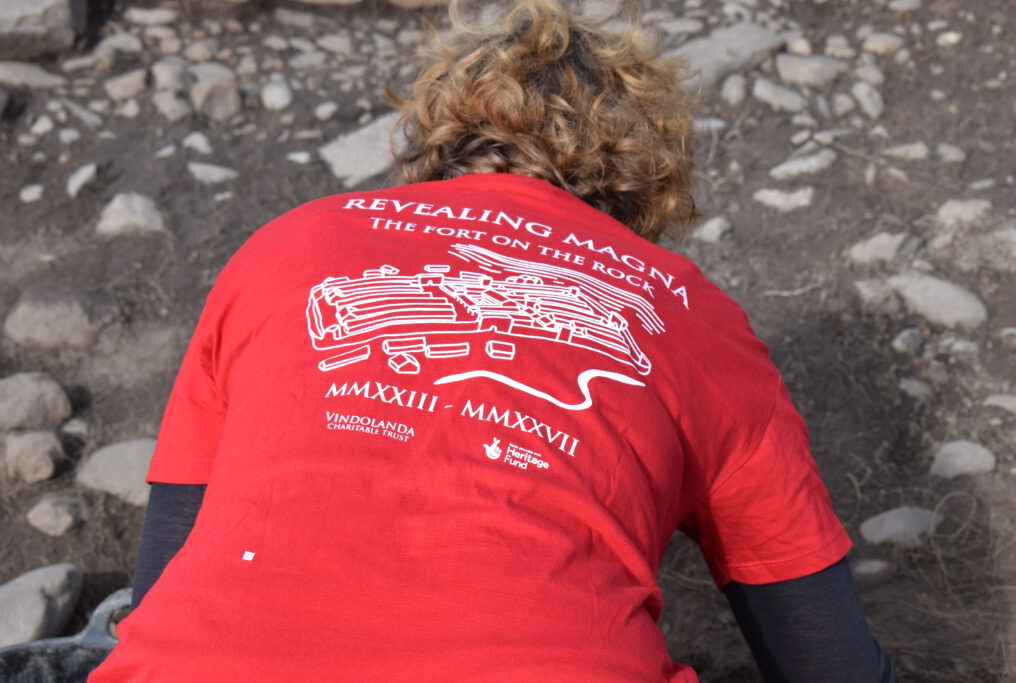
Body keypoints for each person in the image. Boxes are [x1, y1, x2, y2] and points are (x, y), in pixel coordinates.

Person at [90, 1, 896, 681]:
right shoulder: (689, 309)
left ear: (442, 133)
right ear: (645, 169)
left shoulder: (288, 242)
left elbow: (163, 576)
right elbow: (826, 656)